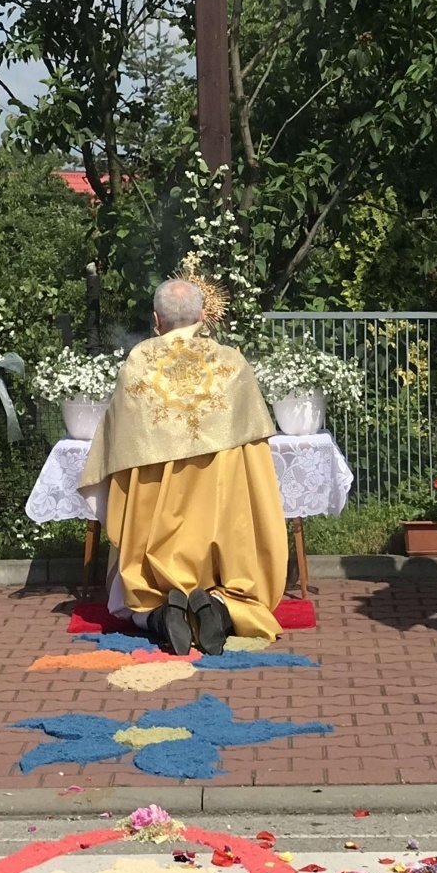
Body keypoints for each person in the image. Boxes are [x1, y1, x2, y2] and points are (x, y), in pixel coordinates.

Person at [78, 279, 286, 655]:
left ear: (156, 320)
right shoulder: (232, 365)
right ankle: (219, 609)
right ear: (204, 317)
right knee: (234, 578)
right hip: (219, 521)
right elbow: (254, 457)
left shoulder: (140, 362)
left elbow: (118, 452)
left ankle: (161, 612)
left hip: (156, 529)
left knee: (132, 598)